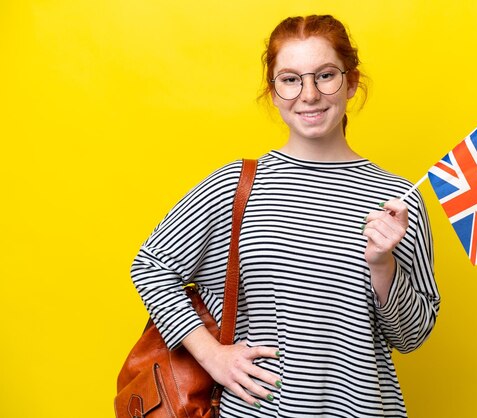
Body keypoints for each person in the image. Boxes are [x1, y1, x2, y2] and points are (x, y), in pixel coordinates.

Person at [131, 14, 440, 417]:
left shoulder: (399, 199)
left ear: (351, 83)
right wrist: (212, 356)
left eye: (325, 75)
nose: (309, 94)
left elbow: (412, 336)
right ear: (273, 92)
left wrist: (383, 268)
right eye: (290, 79)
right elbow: (151, 267)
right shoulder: (237, 186)